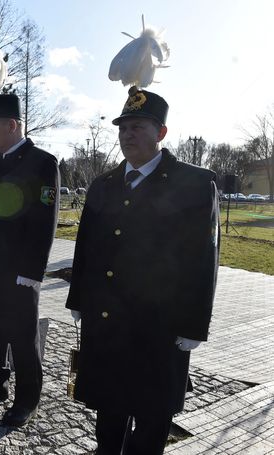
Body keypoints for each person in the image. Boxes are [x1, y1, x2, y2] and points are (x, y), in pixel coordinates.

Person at [65, 87, 219, 454]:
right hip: (108, 322)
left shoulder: (194, 184)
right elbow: (85, 247)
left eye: (137, 127)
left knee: (151, 422)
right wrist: (78, 299)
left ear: (160, 133)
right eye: (123, 128)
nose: (127, 135)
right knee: (109, 415)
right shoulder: (104, 185)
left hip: (160, 327)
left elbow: (203, 259)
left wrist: (195, 325)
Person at [0, 94, 60, 427]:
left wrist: (32, 273)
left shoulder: (42, 163)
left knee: (21, 336)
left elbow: (44, 222)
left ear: (12, 125)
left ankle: (27, 399)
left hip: (18, 270)